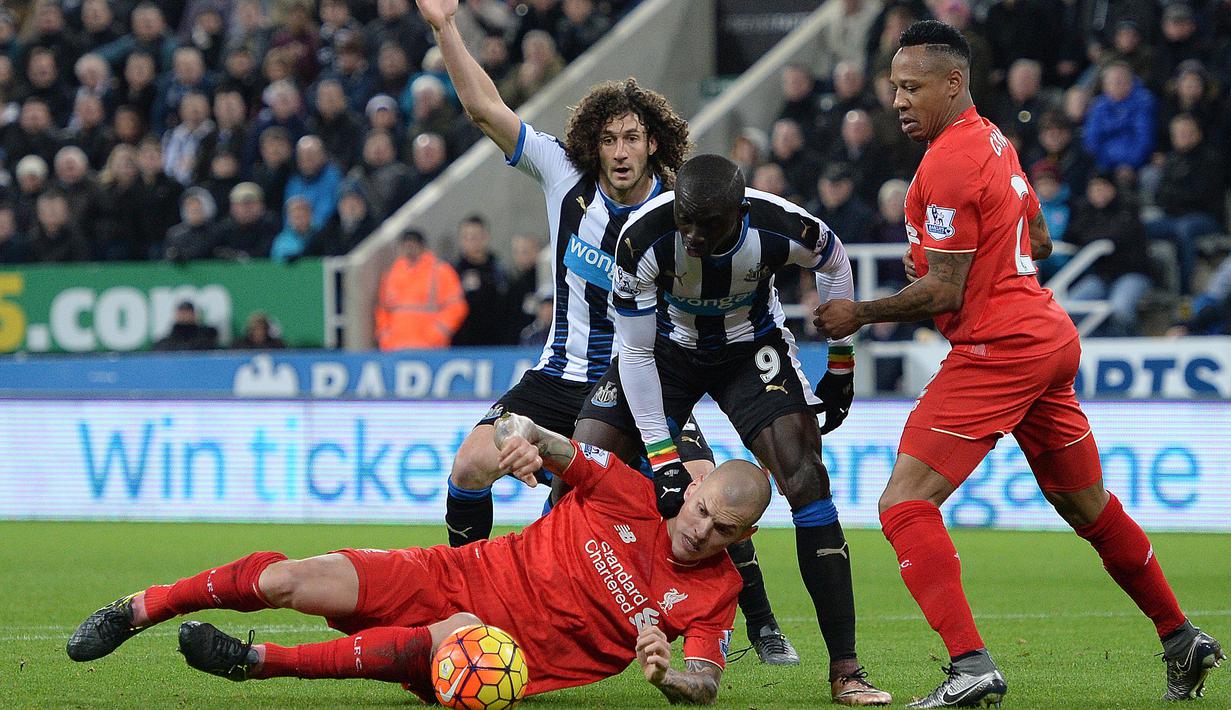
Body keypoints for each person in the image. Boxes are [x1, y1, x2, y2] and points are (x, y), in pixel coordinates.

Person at [812, 20, 1224, 707]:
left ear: (952, 82)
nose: (898, 101)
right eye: (892, 88)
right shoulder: (994, 140)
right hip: (1044, 338)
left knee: (903, 502)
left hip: (996, 349)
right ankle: (1180, 638)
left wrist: (858, 314)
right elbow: (1039, 237)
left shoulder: (945, 163)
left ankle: (970, 665)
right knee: (1085, 506)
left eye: (911, 87)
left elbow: (943, 289)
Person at [416, 0, 800, 666]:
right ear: (593, 143)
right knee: (469, 464)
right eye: (609, 139)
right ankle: (467, 599)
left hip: (639, 383)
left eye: (632, 138)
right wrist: (445, 28)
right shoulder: (563, 180)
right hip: (558, 376)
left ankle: (762, 624)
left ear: (653, 142)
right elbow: (485, 109)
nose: (619, 151)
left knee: (705, 485)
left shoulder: (682, 212)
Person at [66, 413, 769, 706]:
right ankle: (142, 607)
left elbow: (704, 684)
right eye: (702, 510)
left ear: (741, 541)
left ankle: (258, 662)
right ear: (695, 489)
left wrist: (665, 673)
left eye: (721, 531)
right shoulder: (627, 492)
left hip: (502, 655)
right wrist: (519, 437)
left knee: (450, 634)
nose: (700, 532)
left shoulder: (714, 596)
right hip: (450, 573)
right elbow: (546, 439)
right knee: (285, 578)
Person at [575, 153, 891, 706]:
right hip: (665, 352)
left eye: (709, 224)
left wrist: (841, 364)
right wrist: (664, 457)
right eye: (686, 221)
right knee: (579, 469)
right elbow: (634, 350)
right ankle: (532, 633)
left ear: (740, 213)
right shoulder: (642, 237)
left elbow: (835, 263)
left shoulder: (781, 225)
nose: (692, 236)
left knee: (808, 482)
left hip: (750, 349)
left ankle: (846, 670)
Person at [374, 228, 468, 351]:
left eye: (413, 245)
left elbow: (457, 307)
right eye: (406, 246)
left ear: (422, 247)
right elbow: (382, 310)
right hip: (396, 349)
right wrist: (385, 338)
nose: (409, 250)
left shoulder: (441, 271)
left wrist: (437, 334)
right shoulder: (391, 273)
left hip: (431, 349)